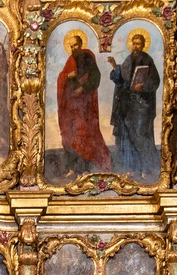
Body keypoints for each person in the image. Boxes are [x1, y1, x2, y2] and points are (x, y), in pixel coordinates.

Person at [108, 31, 161, 179]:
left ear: (143, 45)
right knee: (128, 137)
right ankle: (133, 168)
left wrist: (142, 86)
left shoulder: (148, 60)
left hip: (142, 106)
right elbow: (123, 79)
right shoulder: (128, 59)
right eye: (134, 43)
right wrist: (114, 67)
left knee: (141, 135)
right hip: (128, 105)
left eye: (138, 44)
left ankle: (146, 168)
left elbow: (155, 81)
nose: (135, 46)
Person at [56, 32, 110, 171]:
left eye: (75, 45)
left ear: (81, 45)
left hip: (84, 105)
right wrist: (68, 75)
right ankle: (73, 168)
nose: (73, 48)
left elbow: (95, 77)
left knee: (83, 134)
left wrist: (83, 88)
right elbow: (62, 76)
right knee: (68, 134)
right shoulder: (70, 60)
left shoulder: (87, 58)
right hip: (70, 106)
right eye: (71, 46)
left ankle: (85, 168)